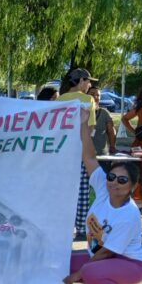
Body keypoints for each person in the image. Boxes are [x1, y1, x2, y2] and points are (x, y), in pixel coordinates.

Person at [62, 108, 142, 284]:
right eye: (112, 176)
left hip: (132, 265)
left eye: (122, 180)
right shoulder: (102, 187)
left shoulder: (128, 215)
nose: (114, 182)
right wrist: (82, 125)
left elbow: (107, 252)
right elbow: (88, 157)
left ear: (133, 186)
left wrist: (77, 274)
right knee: (62, 261)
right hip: (108, 259)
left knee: (88, 270)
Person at [58, 68, 98, 241]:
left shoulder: (60, 99)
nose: (89, 85)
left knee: (63, 189)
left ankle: (63, 224)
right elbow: (90, 129)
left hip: (62, 152)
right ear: (81, 81)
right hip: (81, 151)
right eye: (88, 81)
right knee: (82, 190)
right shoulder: (88, 100)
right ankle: (81, 227)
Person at [121, 86, 142, 205]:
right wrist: (134, 131)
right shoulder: (140, 107)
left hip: (138, 143)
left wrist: (134, 131)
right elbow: (124, 119)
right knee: (137, 171)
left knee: (137, 171)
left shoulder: (139, 107)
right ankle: (137, 201)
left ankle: (137, 200)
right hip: (139, 144)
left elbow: (125, 118)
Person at [88, 86, 116, 156]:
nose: (95, 97)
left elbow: (111, 132)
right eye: (92, 94)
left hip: (101, 155)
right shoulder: (79, 112)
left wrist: (112, 147)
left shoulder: (104, 113)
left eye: (98, 95)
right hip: (83, 155)